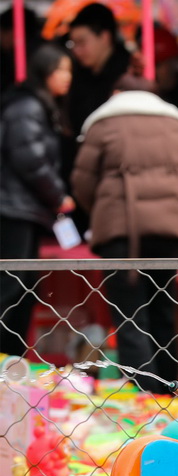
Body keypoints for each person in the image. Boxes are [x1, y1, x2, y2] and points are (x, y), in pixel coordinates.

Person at [71, 75, 178, 392]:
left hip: (122, 231)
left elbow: (82, 182)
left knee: (130, 316)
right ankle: (170, 393)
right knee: (163, 309)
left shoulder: (103, 123)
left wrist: (106, 210)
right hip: (171, 230)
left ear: (117, 93)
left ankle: (144, 399)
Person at [0, 45, 74, 357]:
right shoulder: (26, 107)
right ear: (46, 73)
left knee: (24, 288)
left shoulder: (36, 106)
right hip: (13, 210)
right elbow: (30, 158)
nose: (68, 77)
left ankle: (10, 363)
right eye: (62, 70)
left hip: (24, 210)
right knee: (11, 289)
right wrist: (58, 195)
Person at [65, 3, 131, 138]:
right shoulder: (77, 73)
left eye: (82, 42)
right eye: (73, 44)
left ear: (105, 37)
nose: (76, 51)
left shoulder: (129, 73)